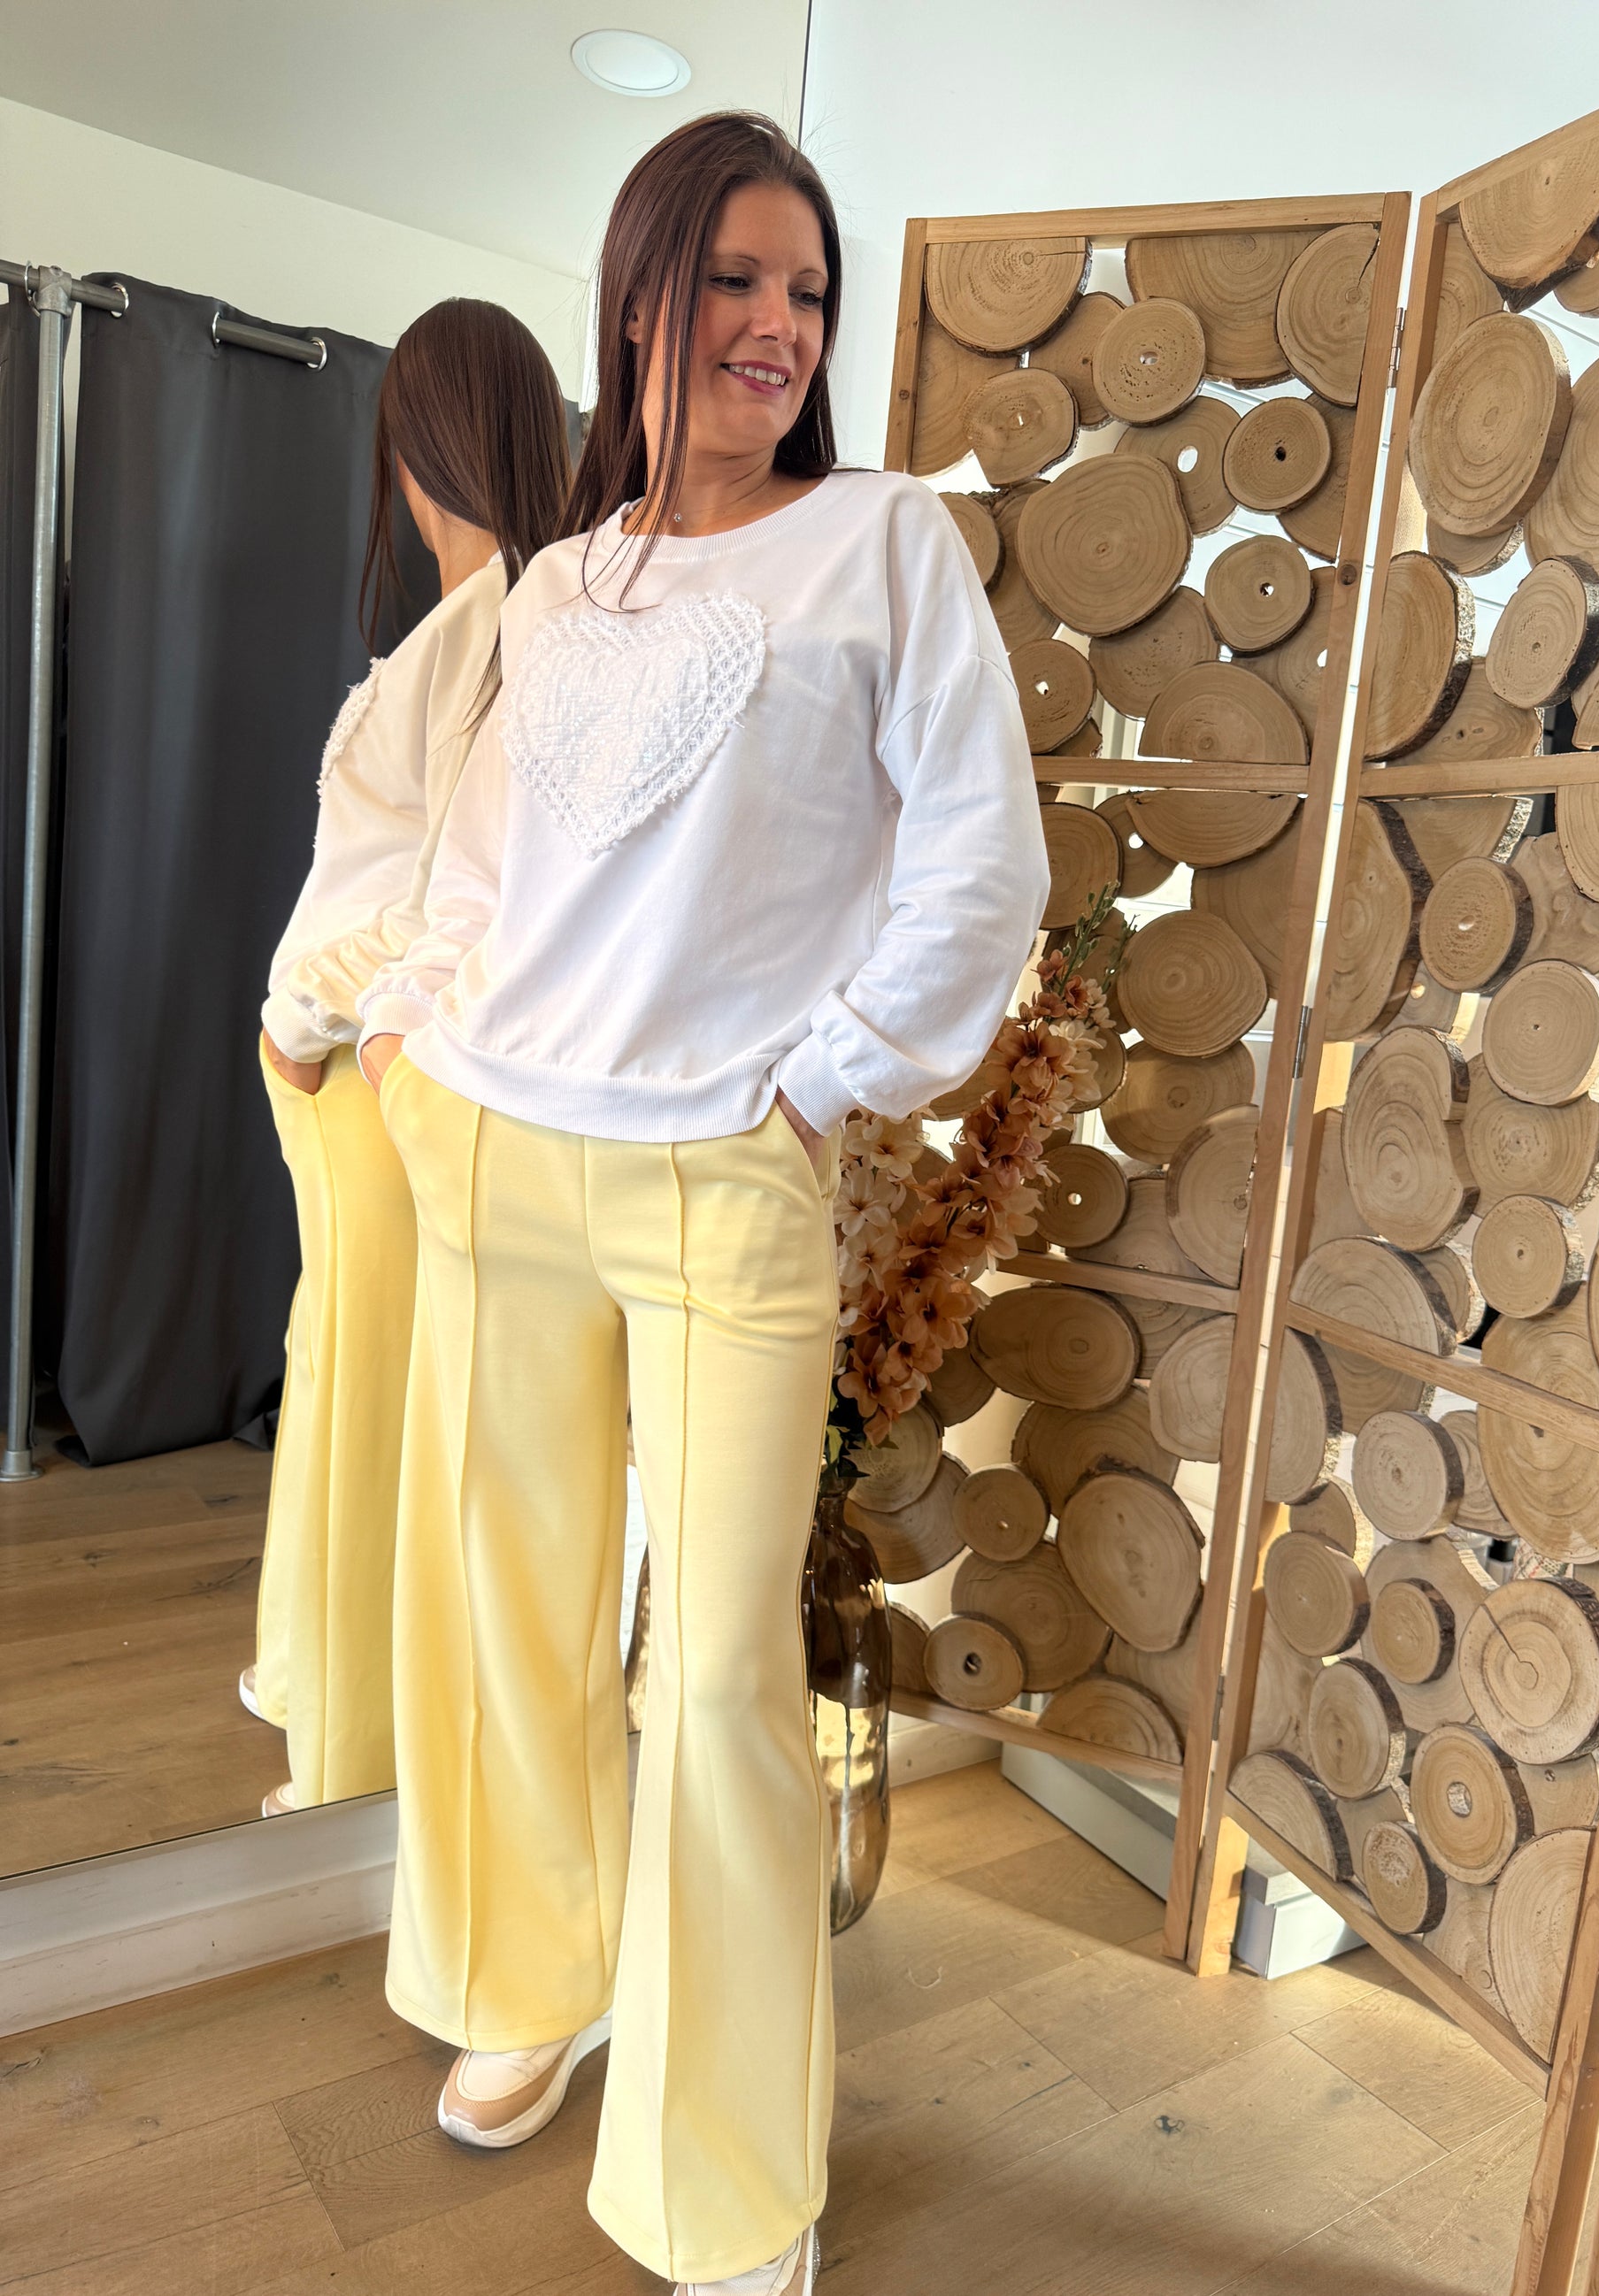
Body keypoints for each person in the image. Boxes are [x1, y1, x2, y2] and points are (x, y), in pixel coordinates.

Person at [357, 111, 1046, 2296]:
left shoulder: (884, 545)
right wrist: (414, 1036)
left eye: (807, 291)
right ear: (639, 295)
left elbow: (984, 859)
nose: (776, 324)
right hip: (494, 1145)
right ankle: (535, 1977)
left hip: (722, 1173)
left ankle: (724, 2168)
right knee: (512, 1608)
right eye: (735, 278)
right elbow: (479, 869)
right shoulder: (558, 583)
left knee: (725, 1669)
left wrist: (826, 1072)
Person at [249, 299, 574, 1816]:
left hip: (363, 1072)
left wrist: (298, 1016)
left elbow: (454, 900)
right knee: (346, 1373)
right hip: (355, 1071)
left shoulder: (496, 622)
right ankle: (318, 1688)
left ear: (417, 442)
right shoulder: (484, 621)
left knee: (366, 1396)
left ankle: (350, 1754)